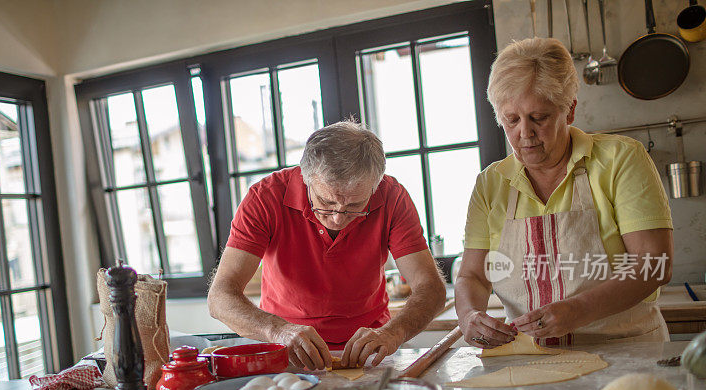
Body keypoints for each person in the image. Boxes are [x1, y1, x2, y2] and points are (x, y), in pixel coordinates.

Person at [455, 37, 673, 348]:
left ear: (569, 111)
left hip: (627, 353)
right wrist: (468, 316)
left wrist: (580, 309)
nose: (524, 133)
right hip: (531, 363)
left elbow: (655, 263)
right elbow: (472, 277)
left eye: (538, 118)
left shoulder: (620, 159)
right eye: (511, 120)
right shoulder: (491, 184)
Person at [208, 121, 446, 370]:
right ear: (306, 177)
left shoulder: (393, 196)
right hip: (287, 349)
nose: (338, 218)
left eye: (355, 207)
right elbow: (220, 297)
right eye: (325, 202)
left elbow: (431, 288)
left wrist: (392, 334)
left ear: (376, 185)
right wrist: (278, 331)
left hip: (371, 350)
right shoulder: (264, 198)